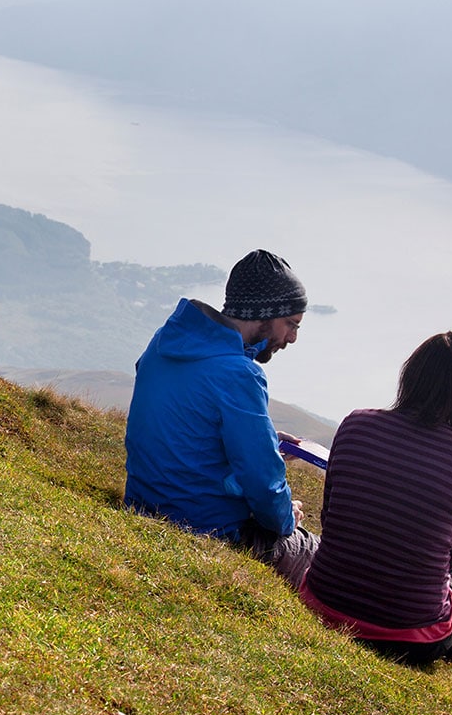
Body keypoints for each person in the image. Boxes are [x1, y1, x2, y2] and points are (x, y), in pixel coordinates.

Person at [296, 331, 452, 702]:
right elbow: (450, 559)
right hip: (409, 637)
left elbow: (330, 516)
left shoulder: (355, 423)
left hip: (324, 602)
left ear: (412, 375)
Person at [123, 249, 317, 586]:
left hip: (143, 504)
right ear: (265, 313)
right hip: (206, 526)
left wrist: (264, 437)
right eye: (291, 324)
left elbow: (190, 422)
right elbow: (265, 487)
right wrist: (288, 519)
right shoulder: (238, 374)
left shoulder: (164, 344)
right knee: (321, 558)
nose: (293, 338)